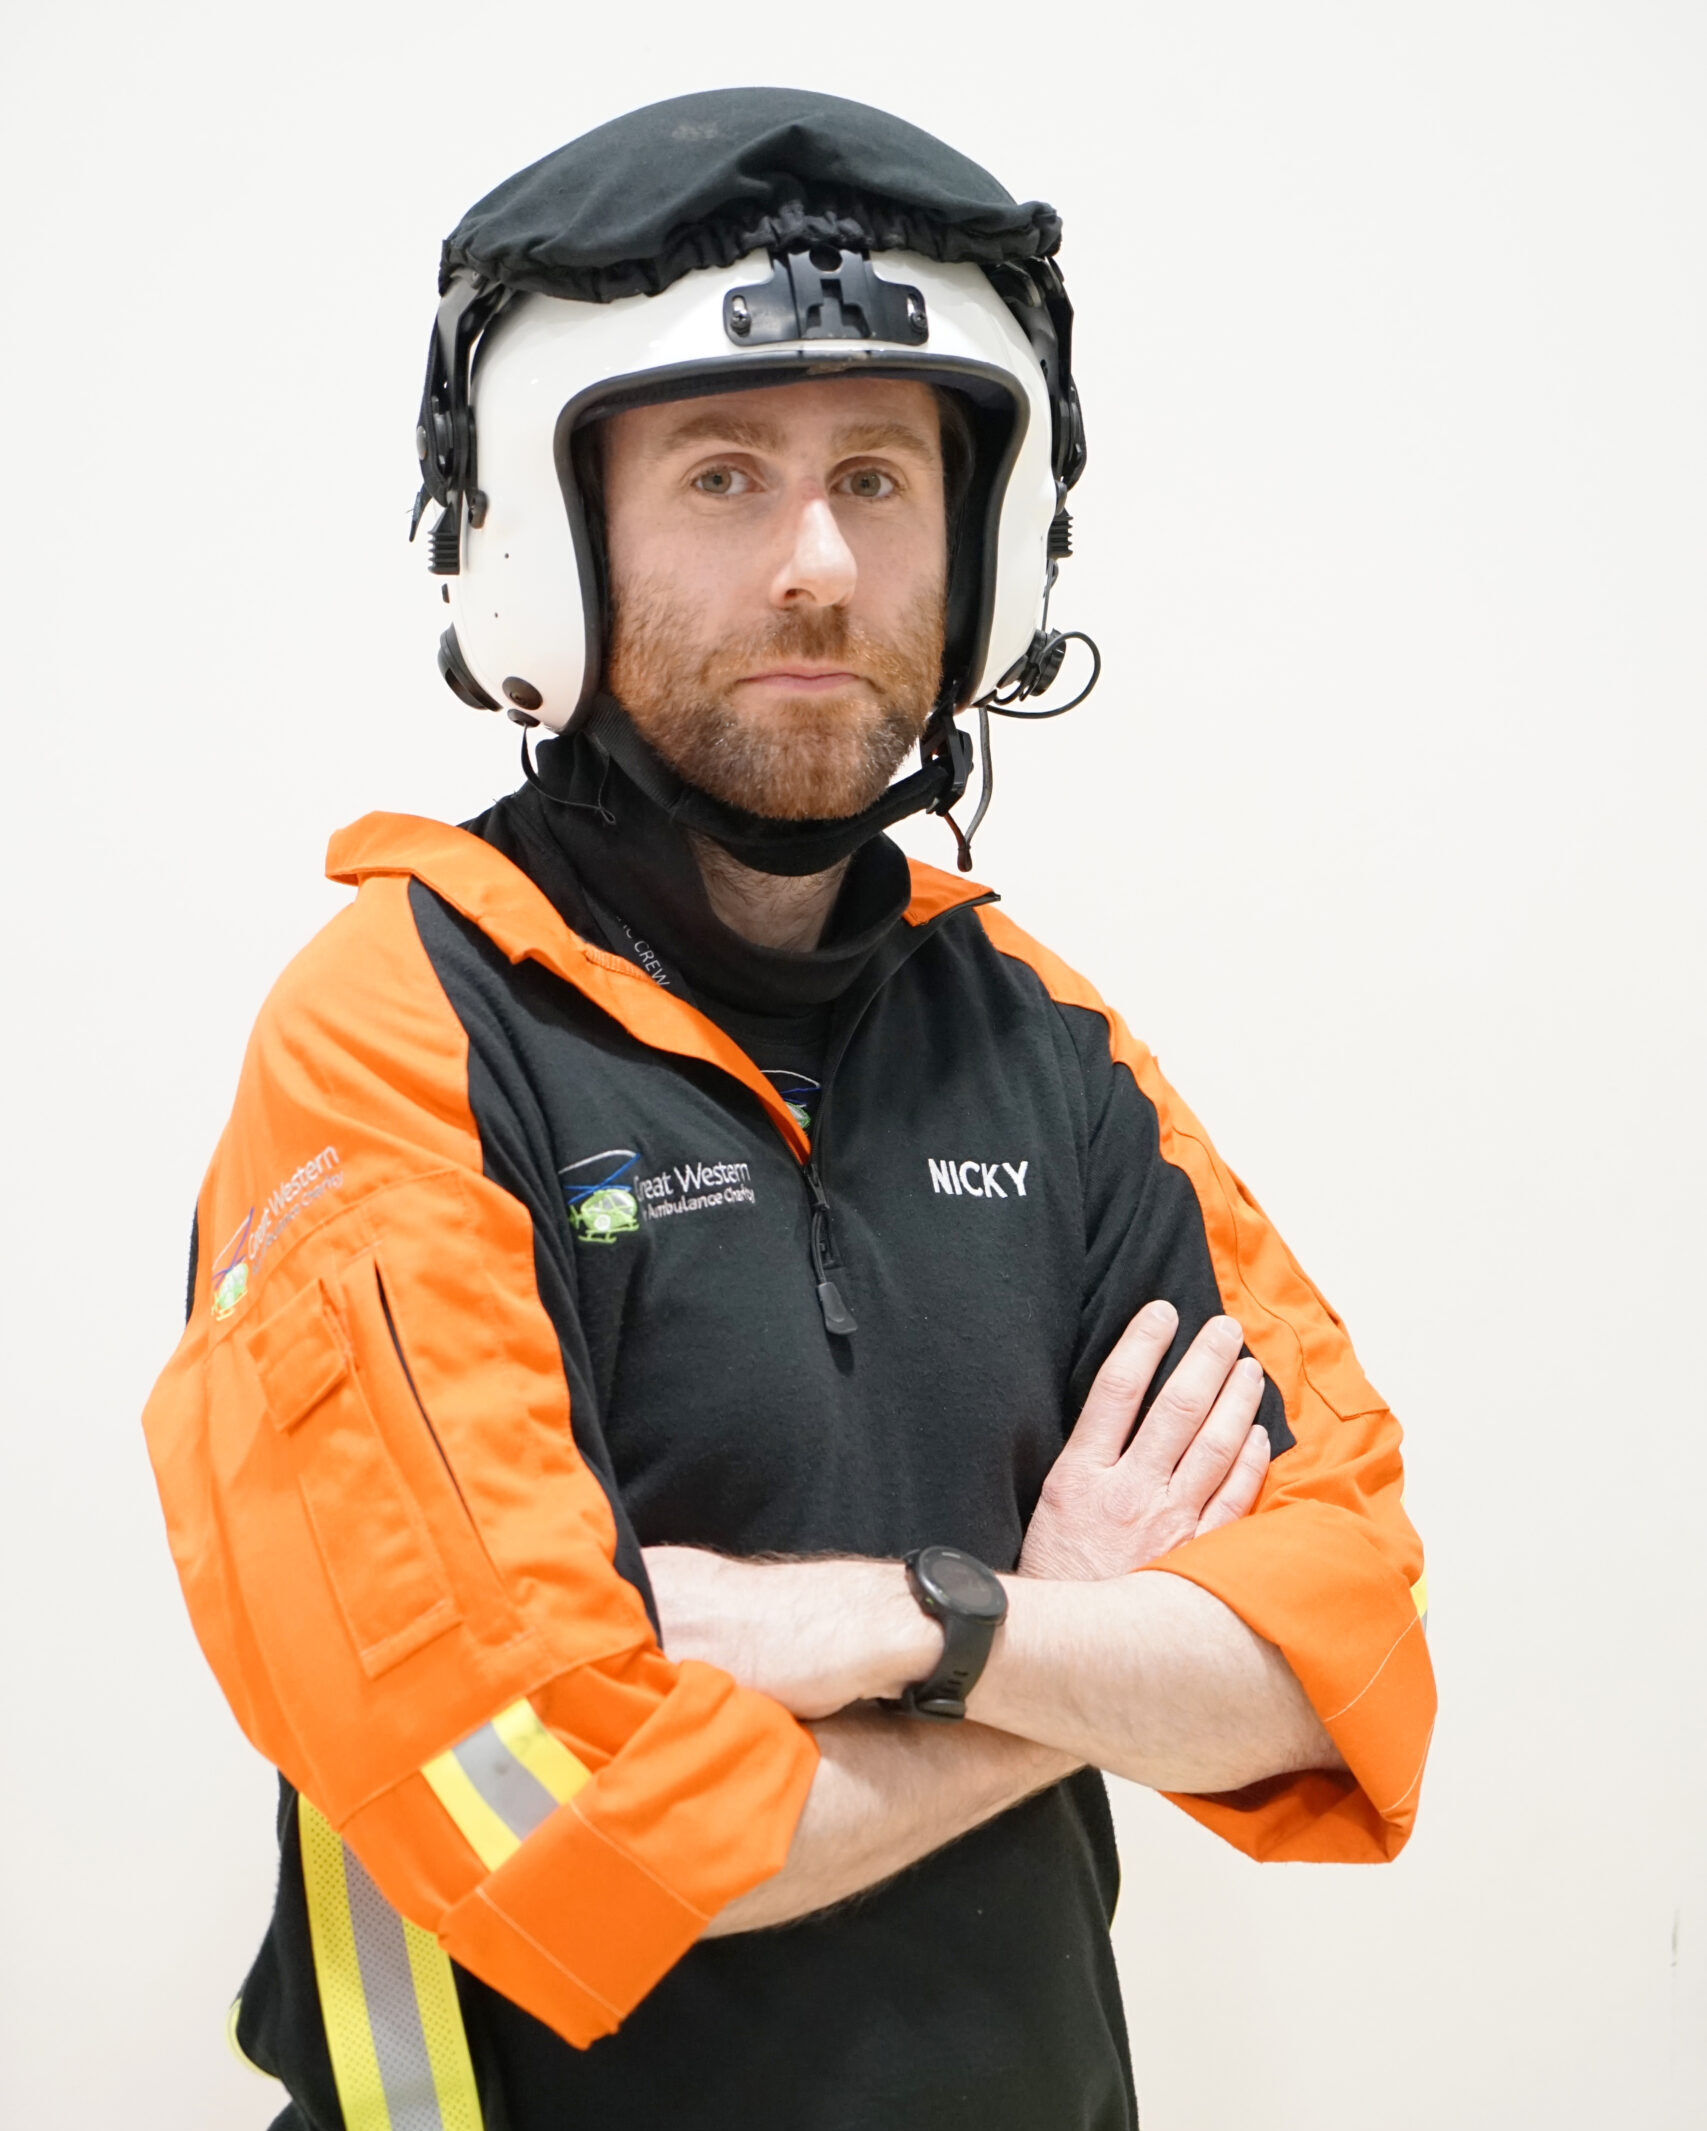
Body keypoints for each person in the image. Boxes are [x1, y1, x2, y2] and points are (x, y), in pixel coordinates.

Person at [143, 87, 1435, 2131]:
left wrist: (887, 1618)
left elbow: (1333, 1648)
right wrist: (1065, 1635)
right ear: (538, 545)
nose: (820, 565)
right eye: (723, 477)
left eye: (876, 474)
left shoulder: (1041, 1036)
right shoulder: (391, 1038)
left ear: (982, 538)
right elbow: (553, 1810)